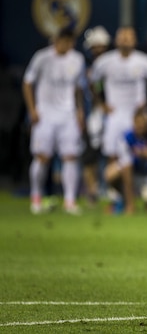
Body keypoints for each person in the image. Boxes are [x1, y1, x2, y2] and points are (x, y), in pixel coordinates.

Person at [90, 26, 147, 214]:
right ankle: (117, 199)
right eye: (122, 36)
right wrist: (101, 103)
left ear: (135, 40)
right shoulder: (104, 62)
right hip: (115, 115)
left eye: (129, 36)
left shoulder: (145, 61)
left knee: (142, 153)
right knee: (113, 158)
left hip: (136, 117)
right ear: (116, 40)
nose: (125, 40)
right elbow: (94, 82)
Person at [22, 28, 85, 215]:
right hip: (45, 115)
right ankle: (36, 197)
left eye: (70, 41)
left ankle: (70, 200)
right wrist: (32, 109)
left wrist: (80, 112)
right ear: (56, 40)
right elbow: (27, 82)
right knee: (42, 156)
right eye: (63, 40)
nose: (66, 45)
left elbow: (78, 89)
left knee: (70, 156)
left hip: (68, 115)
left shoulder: (77, 59)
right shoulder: (42, 58)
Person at [81, 25, 111, 206]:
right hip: (94, 115)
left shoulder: (113, 63)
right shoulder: (87, 67)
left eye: (100, 46)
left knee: (112, 153)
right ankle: (91, 192)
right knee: (90, 156)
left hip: (112, 114)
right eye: (94, 47)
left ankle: (112, 191)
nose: (97, 50)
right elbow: (92, 90)